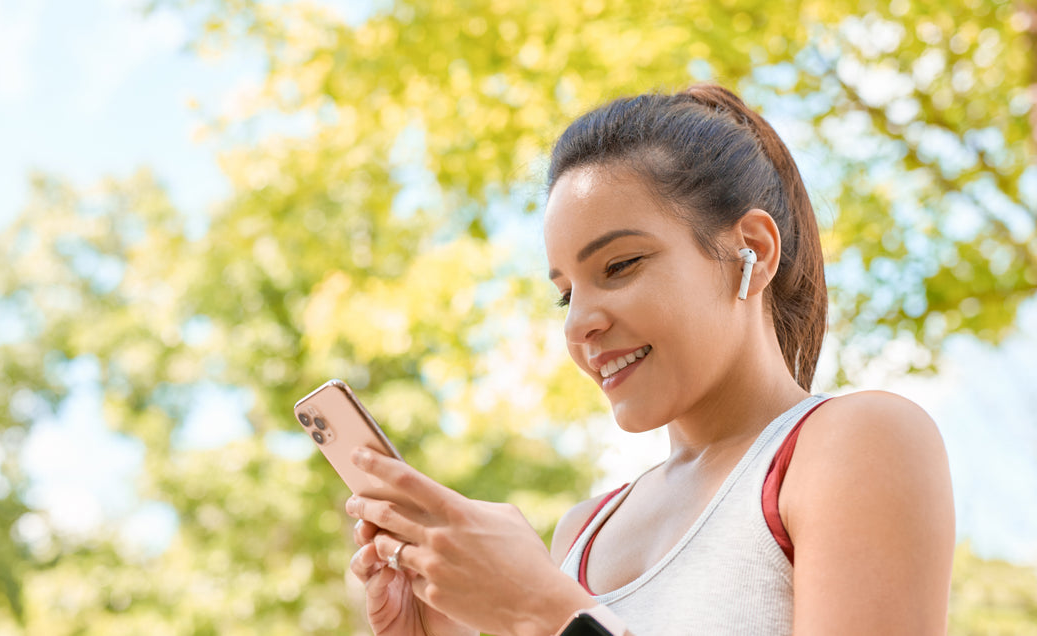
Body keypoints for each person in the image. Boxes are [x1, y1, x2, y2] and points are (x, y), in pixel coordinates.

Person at [344, 84, 955, 635]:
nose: (579, 323)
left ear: (752, 251)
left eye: (619, 266)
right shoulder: (580, 535)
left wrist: (545, 611)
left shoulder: (856, 443)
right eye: (565, 293)